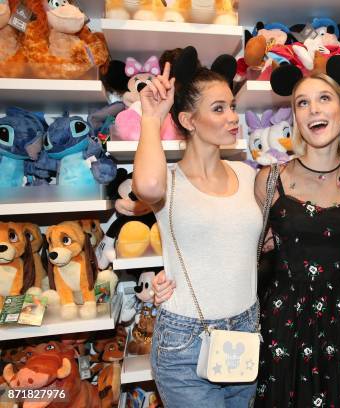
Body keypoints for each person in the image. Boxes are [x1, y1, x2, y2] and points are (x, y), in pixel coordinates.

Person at [133, 49, 262, 407]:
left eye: (232, 106)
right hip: (184, 342)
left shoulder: (246, 174)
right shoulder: (167, 182)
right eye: (218, 108)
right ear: (189, 121)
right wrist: (151, 117)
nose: (232, 117)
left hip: (245, 333)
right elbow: (146, 188)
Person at [253, 73, 340, 407]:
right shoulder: (269, 180)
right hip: (283, 326)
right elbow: (244, 251)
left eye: (324, 98)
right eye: (302, 103)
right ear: (294, 117)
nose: (312, 110)